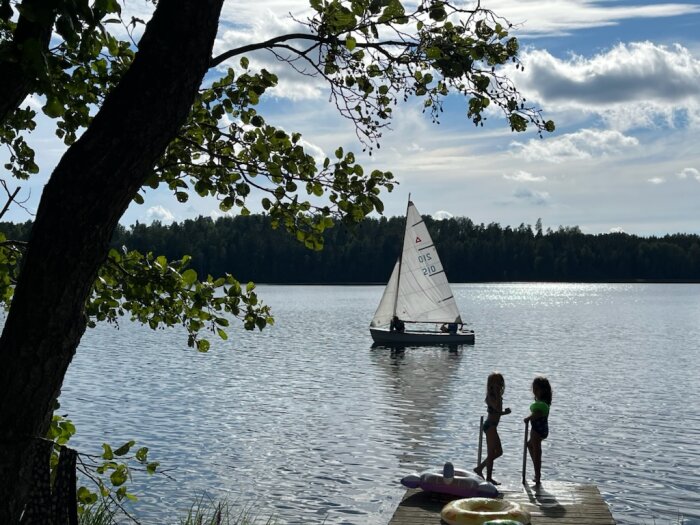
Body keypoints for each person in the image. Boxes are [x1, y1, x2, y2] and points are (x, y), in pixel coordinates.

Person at [474, 372, 511, 485]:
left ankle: (480, 468)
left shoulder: (498, 396)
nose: (498, 385)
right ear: (491, 384)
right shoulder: (490, 396)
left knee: (499, 452)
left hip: (493, 426)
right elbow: (495, 407)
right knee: (491, 453)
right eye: (496, 383)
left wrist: (505, 412)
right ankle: (488, 477)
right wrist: (496, 394)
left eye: (500, 383)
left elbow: (497, 412)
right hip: (489, 426)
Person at [523, 376, 553, 485]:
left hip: (538, 431)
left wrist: (528, 418)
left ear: (544, 390)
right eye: (534, 389)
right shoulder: (542, 402)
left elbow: (538, 414)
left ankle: (538, 475)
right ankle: (537, 470)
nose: (535, 391)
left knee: (537, 451)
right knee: (530, 446)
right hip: (538, 430)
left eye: (537, 389)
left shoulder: (543, 404)